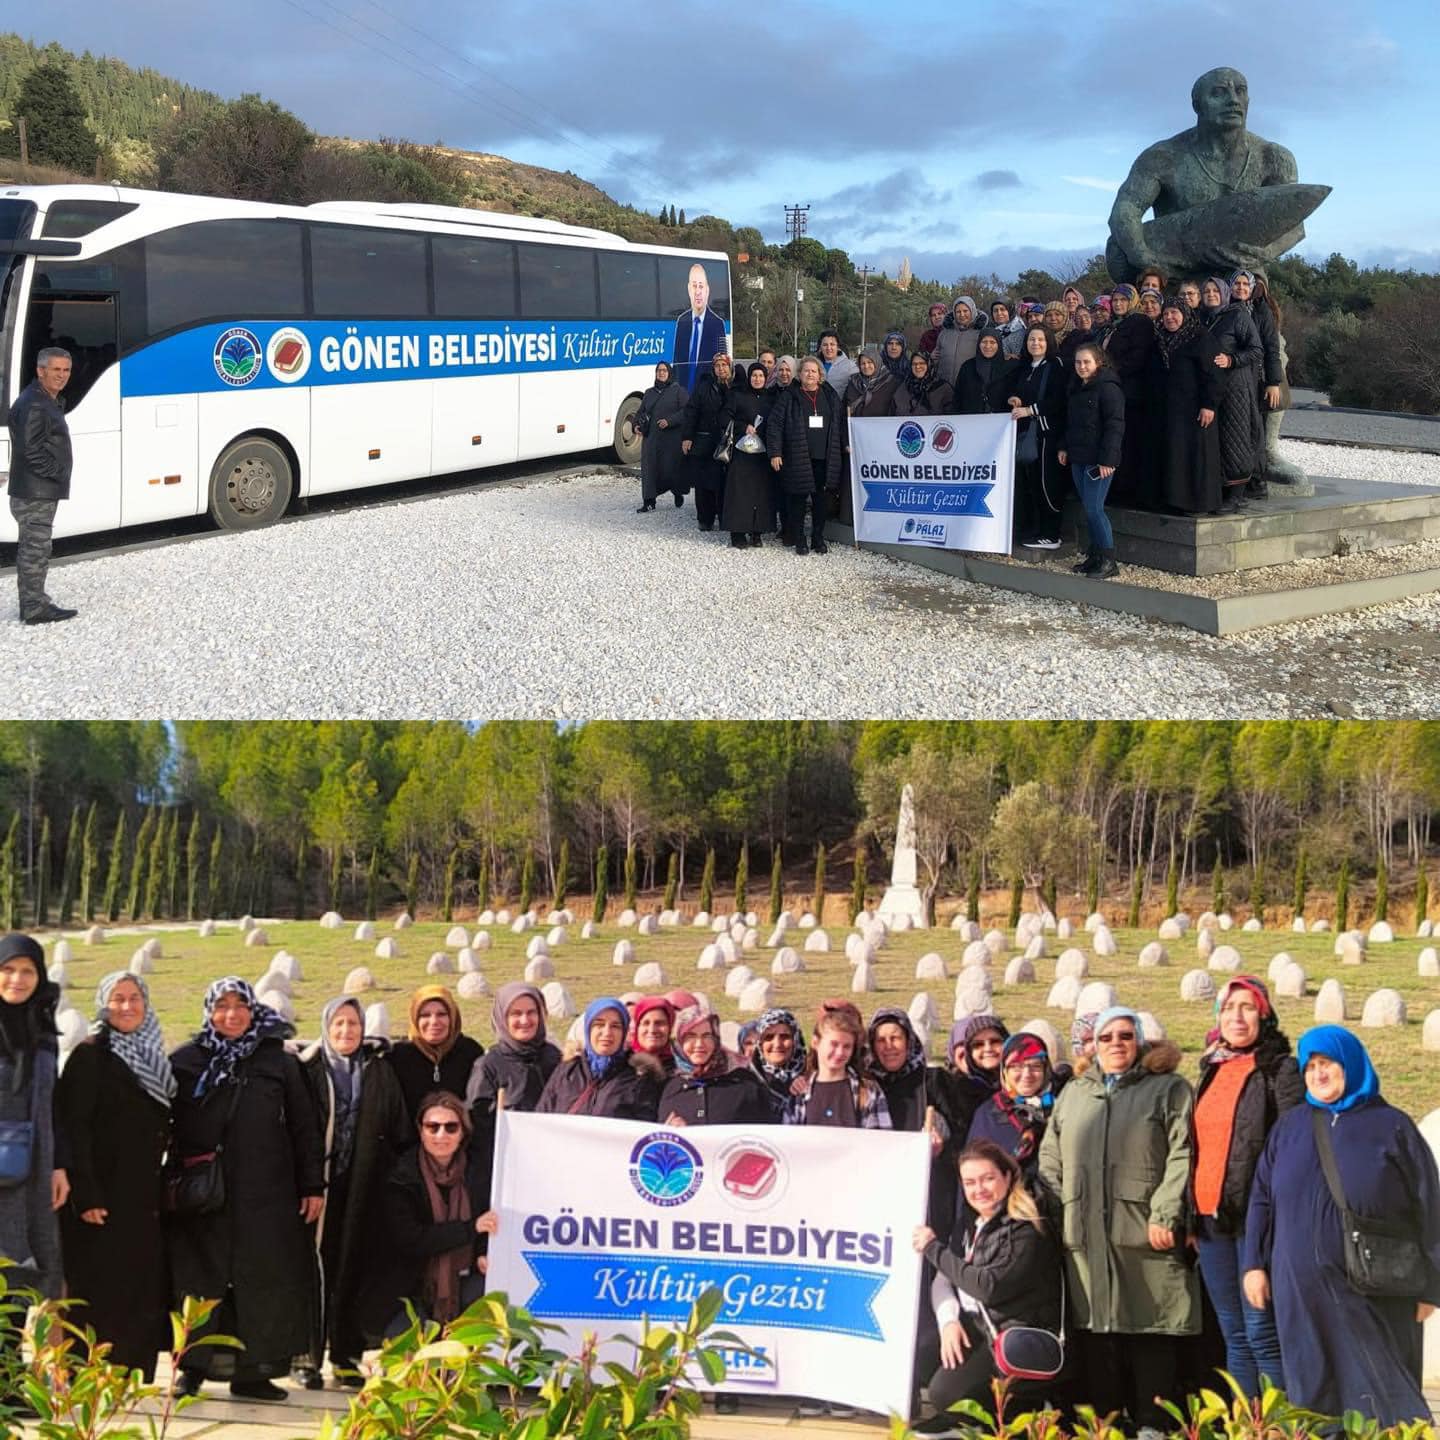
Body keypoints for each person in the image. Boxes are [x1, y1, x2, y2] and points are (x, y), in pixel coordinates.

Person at [1243, 1027, 1440, 1427]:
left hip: (1376, 1288)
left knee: (1386, 1393)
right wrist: (1253, 1265)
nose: (1317, 1074)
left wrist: (1431, 1287)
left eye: (1326, 1063)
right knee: (1313, 1391)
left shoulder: (1392, 1126)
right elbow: (1262, 1199)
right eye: (1310, 1066)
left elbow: (1430, 1208)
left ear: (1350, 1063)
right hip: (1299, 1288)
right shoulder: (1290, 1127)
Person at [1037, 1006, 1198, 1439]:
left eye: (1125, 1036)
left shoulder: (1169, 1089)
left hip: (1144, 1227)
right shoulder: (1074, 1093)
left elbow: (1182, 1152)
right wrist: (1059, 1212)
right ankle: (1107, 1422)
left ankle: (1153, 1422)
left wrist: (1166, 1211)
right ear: (1092, 1045)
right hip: (1085, 1230)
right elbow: (1050, 1156)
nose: (1115, 1045)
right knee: (1097, 1329)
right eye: (1105, 1038)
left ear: (1139, 1040)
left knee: (1150, 1324)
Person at [168, 977, 325, 1402]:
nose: (231, 1014)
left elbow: (304, 1127)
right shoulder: (186, 1061)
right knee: (202, 1281)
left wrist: (312, 1184)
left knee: (263, 1282)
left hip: (267, 1194)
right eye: (222, 1006)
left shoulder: (278, 1061)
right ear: (209, 1010)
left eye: (240, 1005)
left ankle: (255, 1373)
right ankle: (192, 1370)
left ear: (253, 1010)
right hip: (206, 1195)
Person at [1187, 977, 1301, 1401]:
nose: (1237, 1016)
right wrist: (1188, 1215)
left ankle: (1277, 1426)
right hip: (1210, 1219)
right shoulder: (1211, 1068)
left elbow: (1293, 1145)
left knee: (1262, 1333)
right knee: (1234, 1334)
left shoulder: (1279, 1069)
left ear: (1264, 1015)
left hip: (1257, 1221)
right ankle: (1245, 1424)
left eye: (1247, 1007)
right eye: (1229, 1007)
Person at [55, 971, 172, 1380]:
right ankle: (84, 1373)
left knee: (137, 1286)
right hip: (99, 1196)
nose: (127, 1006)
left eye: (134, 998)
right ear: (104, 1005)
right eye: (118, 998)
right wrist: (86, 1195)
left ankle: (129, 1373)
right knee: (96, 1287)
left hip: (142, 1195)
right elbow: (73, 1128)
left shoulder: (154, 1055)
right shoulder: (90, 1055)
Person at [293, 995, 408, 1389]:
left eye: (353, 1024)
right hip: (315, 1187)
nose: (346, 1031)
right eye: (338, 1023)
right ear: (326, 1026)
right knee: (312, 1270)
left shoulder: (378, 1070)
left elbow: (397, 1129)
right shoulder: (308, 1069)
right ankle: (306, 1357)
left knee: (352, 1269)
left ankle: (345, 1356)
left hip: (362, 1186)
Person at [911, 1141, 1064, 1435]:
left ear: (1007, 1177)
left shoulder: (1027, 1225)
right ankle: (966, 1417)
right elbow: (943, 1279)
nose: (978, 1189)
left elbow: (988, 1288)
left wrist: (933, 1248)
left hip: (1018, 1338)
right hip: (981, 1327)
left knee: (945, 1393)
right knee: (923, 1348)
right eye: (969, 1182)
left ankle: (1030, 1408)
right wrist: (948, 1323)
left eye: (988, 1178)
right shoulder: (970, 1222)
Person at [362, 1092, 497, 1338]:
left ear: (463, 1132)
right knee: (411, 1348)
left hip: (463, 1278)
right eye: (432, 1127)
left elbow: (490, 1225)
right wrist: (471, 1228)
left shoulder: (479, 1173)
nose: (441, 1135)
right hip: (408, 1286)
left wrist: (481, 1251)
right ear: (420, 1130)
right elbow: (411, 1239)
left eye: (451, 1127)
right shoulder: (401, 1176)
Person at [0, 935, 65, 1358]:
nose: (17, 979)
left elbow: (54, 1105)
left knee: (31, 1271)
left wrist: (60, 1167)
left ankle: (10, 1379)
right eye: (7, 969)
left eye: (28, 971)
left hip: (34, 1171)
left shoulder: (43, 1030)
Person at [5, 348, 77, 624]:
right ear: (40, 371)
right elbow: (30, 450)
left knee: (35, 548)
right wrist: (57, 473)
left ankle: (35, 601)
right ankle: (34, 608)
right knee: (35, 550)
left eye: (66, 370)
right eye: (56, 370)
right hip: (34, 492)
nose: (62, 376)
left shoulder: (41, 399)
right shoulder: (35, 404)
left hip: (34, 489)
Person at [1147, 295, 1224, 515]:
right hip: (1169, 410)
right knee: (1173, 457)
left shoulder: (1201, 338)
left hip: (1195, 409)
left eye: (1174, 313)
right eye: (1166, 313)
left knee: (1195, 456)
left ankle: (1196, 503)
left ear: (1185, 314)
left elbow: (1214, 375)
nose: (1170, 317)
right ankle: (1173, 501)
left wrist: (1209, 404)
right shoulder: (1159, 339)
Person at [1057, 341, 1126, 579]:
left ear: (1098, 362)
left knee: (1095, 508)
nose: (1082, 366)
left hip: (1099, 460)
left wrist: (1108, 459)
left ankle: (1109, 560)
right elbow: (1071, 422)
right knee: (1087, 508)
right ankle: (1095, 555)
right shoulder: (1075, 387)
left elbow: (1115, 425)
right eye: (1078, 362)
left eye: (1087, 362)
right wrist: (1064, 446)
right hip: (1079, 456)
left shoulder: (1108, 388)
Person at [536, 997, 663, 1119]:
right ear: (588, 1029)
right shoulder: (567, 1071)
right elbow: (542, 1116)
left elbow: (642, 1130)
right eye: (599, 1024)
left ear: (624, 1032)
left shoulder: (639, 1079)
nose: (607, 1032)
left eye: (615, 1026)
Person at [767, 355, 842, 556]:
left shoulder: (829, 394)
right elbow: (775, 425)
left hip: (824, 458)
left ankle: (818, 537)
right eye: (806, 370)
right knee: (797, 501)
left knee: (821, 502)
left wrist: (845, 446)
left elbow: (840, 423)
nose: (810, 374)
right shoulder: (789, 396)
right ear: (799, 374)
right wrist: (775, 452)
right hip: (797, 457)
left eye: (814, 371)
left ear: (820, 375)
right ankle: (799, 538)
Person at [1200, 277, 1264, 510]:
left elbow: (1257, 349)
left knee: (1235, 438)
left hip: (1235, 386)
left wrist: (1232, 359)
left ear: (1224, 292)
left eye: (1215, 290)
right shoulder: (1205, 318)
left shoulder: (1237, 316)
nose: (1210, 294)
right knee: (1216, 439)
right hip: (1212, 388)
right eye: (1206, 290)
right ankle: (1218, 489)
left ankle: (1236, 494)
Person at [965, 1032, 1062, 1182]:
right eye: (1016, 1067)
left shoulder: (1061, 1108)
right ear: (1004, 1071)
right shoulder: (988, 1115)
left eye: (1035, 1066)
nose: (1027, 1074)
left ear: (1046, 1069)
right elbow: (973, 1171)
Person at [659, 1007, 778, 1126]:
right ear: (679, 1042)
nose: (699, 1044)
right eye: (690, 1036)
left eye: (707, 1036)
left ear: (716, 1039)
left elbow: (767, 1134)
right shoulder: (670, 1086)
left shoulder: (744, 1082)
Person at [1007, 327, 1069, 552]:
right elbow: (1020, 393)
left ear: (1048, 342)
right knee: (1030, 483)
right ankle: (1035, 529)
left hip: (1047, 433)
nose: (1036, 343)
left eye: (1041, 339)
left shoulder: (1056, 367)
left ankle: (1052, 533)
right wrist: (1015, 399)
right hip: (1027, 435)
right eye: (1032, 339)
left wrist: (1029, 410)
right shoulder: (1024, 368)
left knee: (1047, 483)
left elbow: (1058, 400)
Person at [782, 1002, 891, 1128]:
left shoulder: (868, 1091)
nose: (840, 1053)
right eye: (833, 1044)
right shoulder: (799, 1092)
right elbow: (789, 1139)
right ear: (815, 1043)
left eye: (847, 1046)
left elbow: (881, 1139)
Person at [387, 986, 484, 1127]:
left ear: (452, 1016)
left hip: (459, 1143)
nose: (434, 1022)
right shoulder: (398, 1056)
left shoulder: (470, 1052)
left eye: (442, 1014)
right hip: (408, 1146)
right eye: (425, 1015)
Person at [1098, 285, 1155, 505]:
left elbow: (1137, 357)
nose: (1119, 304)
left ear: (1132, 301)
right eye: (1115, 300)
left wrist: (1110, 372)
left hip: (1130, 392)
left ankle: (1128, 491)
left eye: (1124, 299)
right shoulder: (1113, 325)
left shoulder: (1139, 322)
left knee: (1129, 442)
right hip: (1113, 389)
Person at [1230, 270, 1282, 496]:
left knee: (1255, 429)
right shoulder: (1227, 308)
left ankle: (1257, 478)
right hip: (1232, 376)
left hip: (1256, 377)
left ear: (1252, 287)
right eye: (1237, 284)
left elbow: (1272, 348)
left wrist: (1274, 381)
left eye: (1245, 284)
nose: (1241, 288)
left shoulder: (1262, 311)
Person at [721, 362, 779, 547]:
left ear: (766, 377)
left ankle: (757, 531)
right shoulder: (737, 395)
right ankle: (737, 532)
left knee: (761, 493)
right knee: (739, 493)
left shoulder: (771, 398)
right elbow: (723, 417)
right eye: (754, 375)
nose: (757, 379)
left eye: (761, 376)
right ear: (749, 377)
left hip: (762, 453)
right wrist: (743, 427)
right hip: (741, 452)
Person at [934, 1014, 1009, 1145]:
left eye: (995, 1041)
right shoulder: (948, 1089)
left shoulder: (1020, 1081)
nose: (987, 1048)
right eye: (977, 1044)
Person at [680, 352, 734, 533]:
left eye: (724, 365)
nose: (721, 369)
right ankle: (705, 518)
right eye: (718, 366)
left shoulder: (736, 386)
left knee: (724, 483)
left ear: (730, 366)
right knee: (704, 484)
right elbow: (691, 412)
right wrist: (687, 436)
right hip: (705, 440)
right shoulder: (704, 387)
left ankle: (725, 516)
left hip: (727, 442)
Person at [635, 361, 688, 513]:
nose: (661, 373)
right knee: (649, 470)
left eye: (664, 370)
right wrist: (636, 425)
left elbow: (687, 411)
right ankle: (649, 501)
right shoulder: (649, 392)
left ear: (669, 373)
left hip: (671, 440)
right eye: (659, 370)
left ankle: (677, 492)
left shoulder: (679, 391)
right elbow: (640, 412)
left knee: (670, 469)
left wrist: (670, 421)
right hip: (651, 439)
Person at [671, 262, 727, 394]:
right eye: (694, 286)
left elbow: (724, 365)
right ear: (689, 289)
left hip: (707, 395)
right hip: (683, 396)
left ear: (707, 290)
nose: (697, 291)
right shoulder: (682, 322)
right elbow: (676, 363)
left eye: (701, 286)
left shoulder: (718, 324)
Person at [748, 1007, 807, 1107]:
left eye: (785, 1036)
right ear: (760, 1043)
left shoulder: (812, 1077)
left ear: (795, 1040)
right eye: (769, 1037)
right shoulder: (746, 1079)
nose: (777, 1044)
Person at [953, 330, 1012, 415]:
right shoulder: (967, 367)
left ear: (999, 344)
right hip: (971, 420)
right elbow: (958, 397)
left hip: (1000, 422)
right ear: (978, 344)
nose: (988, 346)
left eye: (992, 342)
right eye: (984, 342)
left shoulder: (1009, 367)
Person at [936, 297, 981, 387]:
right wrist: (932, 357)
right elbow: (936, 356)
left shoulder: (980, 334)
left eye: (965, 311)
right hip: (944, 386)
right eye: (958, 312)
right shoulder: (944, 333)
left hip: (969, 387)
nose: (962, 314)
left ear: (972, 311)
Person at [893, 350, 954, 417]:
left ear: (929, 364)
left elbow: (953, 418)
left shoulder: (943, 388)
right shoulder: (903, 388)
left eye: (922, 363)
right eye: (914, 364)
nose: (918, 367)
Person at [629, 995, 677, 1076]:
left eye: (660, 1023)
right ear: (637, 1028)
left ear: (670, 1027)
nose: (652, 1030)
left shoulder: (681, 1068)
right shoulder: (622, 1065)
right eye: (646, 1023)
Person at [816, 330, 857, 397]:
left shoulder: (850, 366)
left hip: (840, 406)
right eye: (825, 345)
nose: (829, 348)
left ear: (838, 347)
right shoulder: (813, 365)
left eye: (832, 344)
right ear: (820, 347)